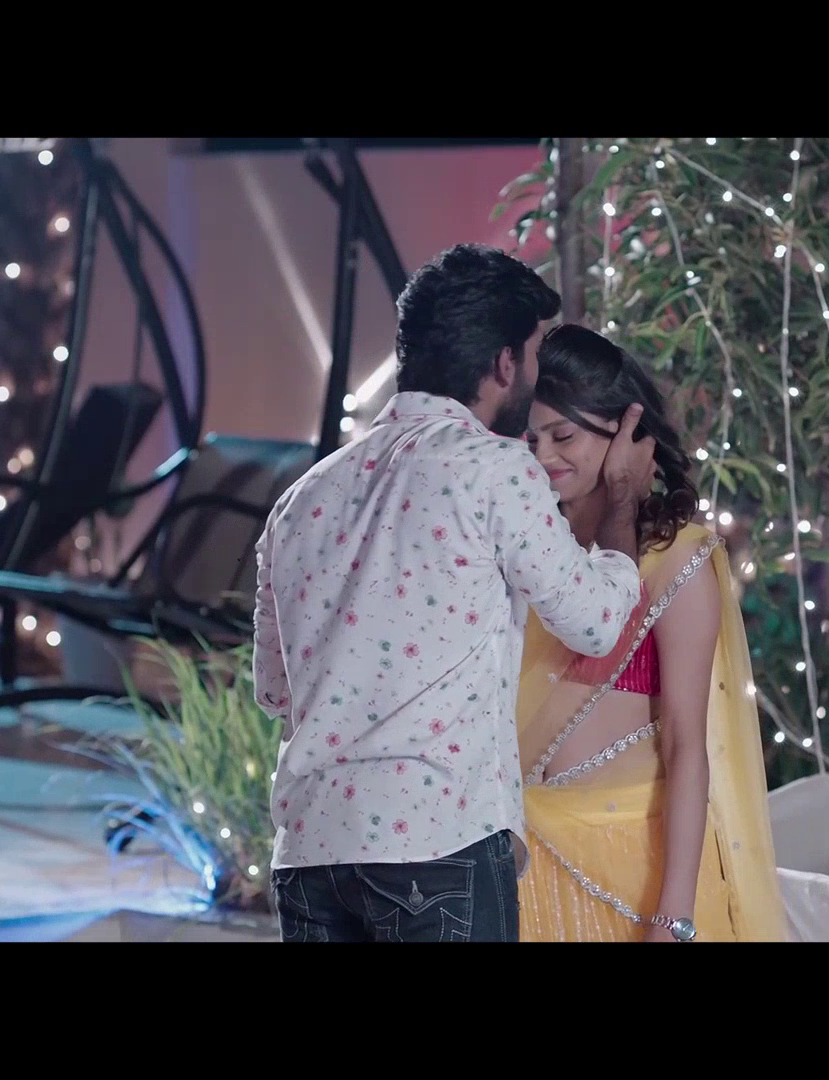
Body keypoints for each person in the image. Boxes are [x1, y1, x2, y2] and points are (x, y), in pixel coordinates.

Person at [253, 244, 657, 942]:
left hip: (310, 854)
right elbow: (595, 623)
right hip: (434, 847)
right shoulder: (492, 469)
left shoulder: (301, 499)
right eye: (534, 355)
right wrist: (621, 500)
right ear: (505, 364)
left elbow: (274, 691)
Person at [514, 324, 786, 942]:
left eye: (564, 436)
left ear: (627, 435)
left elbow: (688, 745)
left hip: (632, 873)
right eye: (531, 439)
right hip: (524, 867)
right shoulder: (533, 550)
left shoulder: (674, 559)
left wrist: (673, 916)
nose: (544, 457)